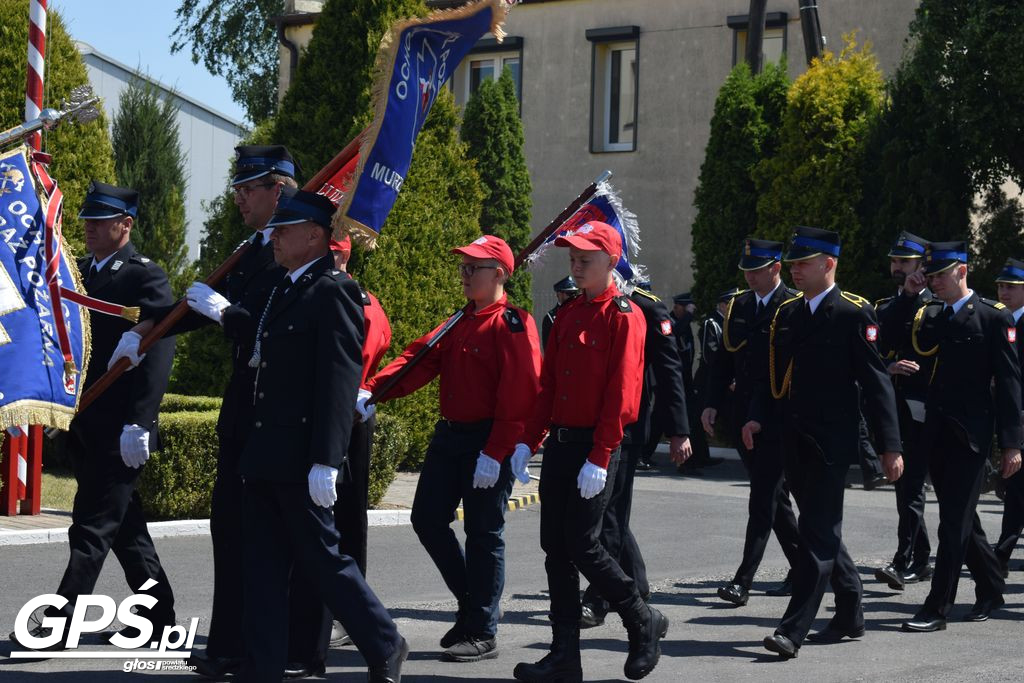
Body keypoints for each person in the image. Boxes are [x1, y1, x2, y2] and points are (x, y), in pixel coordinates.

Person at [110, 145, 330, 678]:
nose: (238, 198)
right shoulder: (252, 248)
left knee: (291, 542)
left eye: (248, 189)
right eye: (237, 189)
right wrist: (146, 328)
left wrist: (228, 313)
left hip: (280, 415)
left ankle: (305, 647)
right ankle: (232, 642)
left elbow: (272, 326)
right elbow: (198, 304)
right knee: (230, 528)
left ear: (279, 190)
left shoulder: (296, 253)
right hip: (243, 410)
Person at [229, 187, 407, 681]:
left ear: (314, 236)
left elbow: (338, 378)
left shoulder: (334, 290)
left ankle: (385, 641)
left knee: (324, 560)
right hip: (268, 451)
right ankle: (260, 668)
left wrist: (328, 459)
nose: (275, 239)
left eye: (284, 231)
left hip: (303, 456)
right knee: (262, 569)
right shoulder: (287, 286)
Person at [10, 182, 177, 651]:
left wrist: (141, 421)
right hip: (86, 421)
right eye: (86, 219)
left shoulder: (145, 277)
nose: (89, 227)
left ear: (125, 225)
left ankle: (59, 626)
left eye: (100, 220)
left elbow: (159, 349)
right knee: (125, 531)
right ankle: (161, 617)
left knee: (90, 527)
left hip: (122, 429)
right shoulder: (76, 272)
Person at [363, 235, 541, 662]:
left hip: (485, 440)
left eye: (472, 268)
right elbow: (419, 359)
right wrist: (370, 390)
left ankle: (482, 629)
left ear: (498, 274)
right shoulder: (459, 321)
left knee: (484, 533)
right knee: (427, 519)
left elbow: (521, 394)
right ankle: (471, 605)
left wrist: (497, 450)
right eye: (461, 267)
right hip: (450, 437)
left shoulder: (513, 324)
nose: (463, 275)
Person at [513, 221, 668, 682]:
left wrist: (601, 455)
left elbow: (623, 394)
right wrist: (527, 439)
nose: (576, 267)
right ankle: (565, 657)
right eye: (572, 259)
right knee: (555, 550)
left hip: (596, 447)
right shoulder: (567, 316)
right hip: (560, 444)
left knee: (584, 543)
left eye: (585, 259)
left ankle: (642, 619)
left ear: (610, 261)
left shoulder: (624, 315)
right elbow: (548, 388)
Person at [742, 226, 903, 659]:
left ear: (828, 264)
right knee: (818, 528)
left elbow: (876, 386)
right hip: (791, 436)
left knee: (817, 536)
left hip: (831, 441)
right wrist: (757, 417)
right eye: (792, 264)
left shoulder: (854, 313)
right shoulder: (788, 314)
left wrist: (890, 446)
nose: (795, 270)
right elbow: (769, 372)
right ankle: (850, 609)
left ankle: (792, 630)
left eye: (803, 263)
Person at [900, 243, 1022, 632]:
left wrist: (1012, 443)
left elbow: (1008, 384)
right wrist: (909, 293)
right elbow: (892, 332)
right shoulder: (928, 313)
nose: (934, 280)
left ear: (962, 271)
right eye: (930, 274)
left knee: (952, 523)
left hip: (971, 435)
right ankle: (991, 587)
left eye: (940, 274)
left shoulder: (991, 317)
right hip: (933, 430)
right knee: (964, 521)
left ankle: (937, 608)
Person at [579, 277, 692, 628]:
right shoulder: (580, 304)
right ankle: (636, 584)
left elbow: (669, 371)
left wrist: (678, 430)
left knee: (609, 516)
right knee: (607, 515)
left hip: (624, 428)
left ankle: (598, 599)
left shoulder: (643, 305)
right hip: (583, 426)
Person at [702, 238, 801, 606]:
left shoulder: (792, 305)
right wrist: (711, 404)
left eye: (756, 270)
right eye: (746, 270)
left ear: (776, 268)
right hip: (742, 412)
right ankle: (806, 567)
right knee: (774, 498)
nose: (750, 277)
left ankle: (742, 581)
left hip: (777, 416)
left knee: (762, 497)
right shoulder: (740, 306)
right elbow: (723, 362)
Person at [308, 235, 392, 652]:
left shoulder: (358, 298)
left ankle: (349, 613)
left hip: (349, 413)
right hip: (321, 413)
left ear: (340, 253)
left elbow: (370, 345)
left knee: (346, 519)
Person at [872, 231, 935, 589]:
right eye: (895, 262)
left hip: (928, 409)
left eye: (905, 263)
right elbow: (878, 348)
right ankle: (920, 559)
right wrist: (888, 366)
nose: (898, 268)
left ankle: (904, 560)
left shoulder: (937, 303)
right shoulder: (889, 305)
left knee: (912, 489)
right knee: (907, 488)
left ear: (922, 267)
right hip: (896, 410)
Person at [993, 257, 1024, 576]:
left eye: (1012, 287)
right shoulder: (996, 320)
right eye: (1001, 286)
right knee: (1014, 489)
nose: (1004, 292)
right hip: (1010, 418)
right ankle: (1002, 551)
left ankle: (1002, 551)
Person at [671, 293, 713, 473]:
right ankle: (685, 462)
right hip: (674, 381)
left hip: (685, 379)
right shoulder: (669, 321)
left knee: (692, 419)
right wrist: (687, 316)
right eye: (686, 308)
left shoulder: (685, 323)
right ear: (677, 307)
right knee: (681, 422)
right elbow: (674, 333)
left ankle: (697, 458)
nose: (690, 312)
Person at [542, 275, 580, 348]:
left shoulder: (578, 313)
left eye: (575, 293)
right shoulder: (550, 318)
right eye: (569, 293)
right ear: (559, 294)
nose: (573, 296)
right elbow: (548, 348)